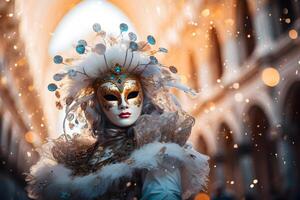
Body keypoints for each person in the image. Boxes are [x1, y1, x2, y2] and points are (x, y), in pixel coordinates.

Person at [26, 23, 209, 200]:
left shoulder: (159, 155)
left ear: (143, 97)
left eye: (132, 94)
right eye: (111, 97)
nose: (123, 104)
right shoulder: (82, 158)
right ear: (97, 105)